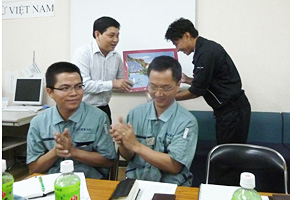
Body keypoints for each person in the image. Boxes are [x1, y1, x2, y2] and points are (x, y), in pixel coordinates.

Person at [110, 56, 198, 186]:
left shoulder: (187, 122)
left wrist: (136, 146)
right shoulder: (136, 113)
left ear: (178, 84)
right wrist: (123, 143)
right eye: (153, 86)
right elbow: (128, 156)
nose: (158, 93)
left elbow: (174, 166)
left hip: (172, 186)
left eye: (166, 88)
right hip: (136, 182)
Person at [165, 18, 251, 144]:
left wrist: (168, 98)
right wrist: (188, 80)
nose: (177, 49)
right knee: (224, 151)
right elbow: (208, 81)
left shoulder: (206, 53)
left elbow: (196, 91)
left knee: (229, 154)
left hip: (233, 112)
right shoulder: (204, 49)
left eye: (176, 43)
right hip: (228, 111)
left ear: (187, 36)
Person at [26, 62, 117, 179]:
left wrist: (73, 151)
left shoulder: (98, 117)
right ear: (50, 92)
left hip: (89, 182)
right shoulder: (38, 122)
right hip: (51, 184)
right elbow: (33, 169)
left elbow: (108, 161)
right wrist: (55, 152)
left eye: (78, 87)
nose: (74, 93)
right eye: (65, 88)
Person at [72, 16, 133, 124]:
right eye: (111, 35)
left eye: (118, 36)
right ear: (97, 34)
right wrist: (113, 84)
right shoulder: (83, 53)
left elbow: (120, 81)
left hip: (104, 108)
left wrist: (138, 81)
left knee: (106, 140)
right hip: (84, 109)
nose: (116, 40)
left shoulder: (116, 57)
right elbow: (84, 85)